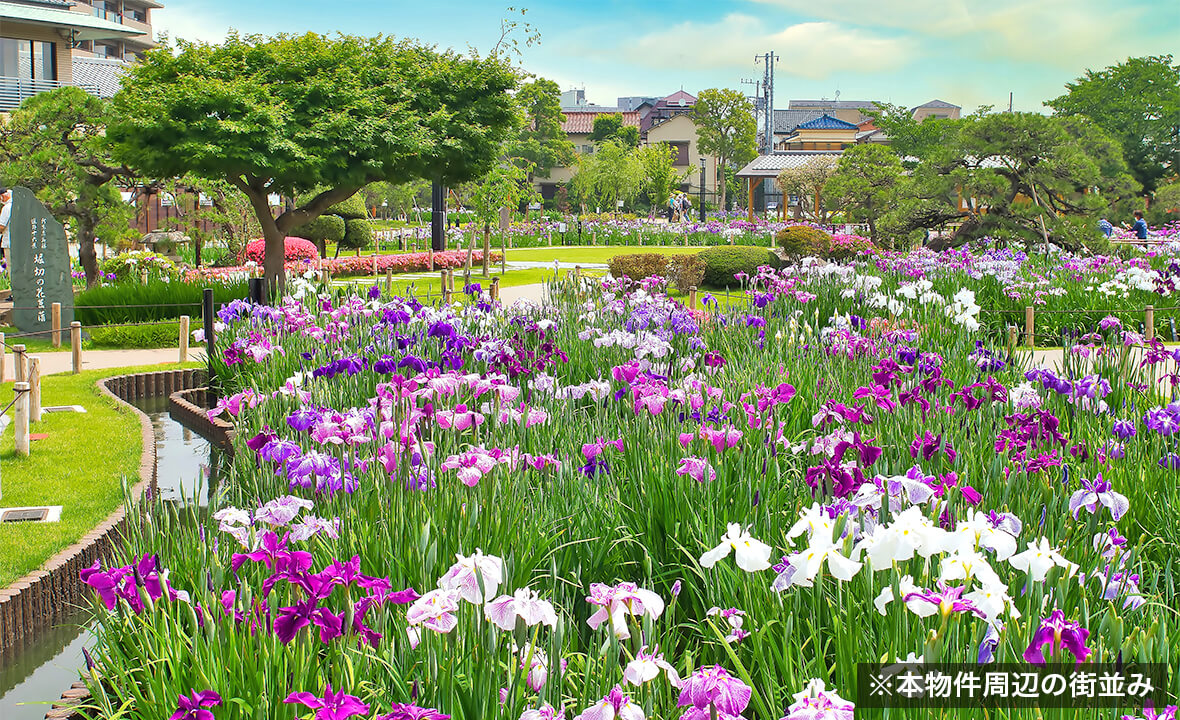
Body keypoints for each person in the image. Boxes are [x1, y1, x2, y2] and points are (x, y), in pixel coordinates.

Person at [0, 186, 12, 268]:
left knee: (11, 268)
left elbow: (1, 226)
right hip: (21, 243)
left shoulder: (6, 208)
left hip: (9, 243)